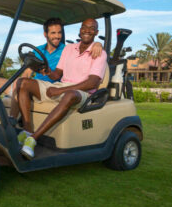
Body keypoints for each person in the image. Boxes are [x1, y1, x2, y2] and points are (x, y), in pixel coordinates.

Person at [16, 18, 107, 159]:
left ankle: (33, 139)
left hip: (82, 93)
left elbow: (92, 83)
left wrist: (59, 91)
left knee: (69, 94)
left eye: (91, 28)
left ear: (96, 32)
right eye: (84, 27)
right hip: (61, 86)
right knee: (23, 82)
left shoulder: (99, 53)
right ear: (80, 30)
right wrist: (46, 71)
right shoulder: (69, 49)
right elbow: (57, 74)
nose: (87, 30)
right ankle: (27, 131)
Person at [0, 17, 103, 118]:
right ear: (45, 34)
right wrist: (22, 84)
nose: (57, 36)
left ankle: (12, 121)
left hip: (50, 87)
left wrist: (98, 44)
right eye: (53, 33)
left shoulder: (66, 49)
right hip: (35, 85)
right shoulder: (38, 50)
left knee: (18, 88)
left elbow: (83, 47)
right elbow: (27, 73)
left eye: (59, 33)